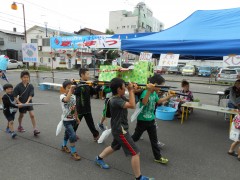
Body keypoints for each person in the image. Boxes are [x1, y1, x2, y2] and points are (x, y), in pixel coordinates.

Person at [95, 78, 154, 180]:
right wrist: (131, 90)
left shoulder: (120, 97)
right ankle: (139, 178)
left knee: (114, 146)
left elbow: (133, 102)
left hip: (118, 129)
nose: (125, 87)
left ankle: (98, 159)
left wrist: (134, 91)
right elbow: (131, 106)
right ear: (119, 89)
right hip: (120, 131)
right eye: (124, 86)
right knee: (135, 153)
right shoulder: (115, 100)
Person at [132, 74, 174, 164]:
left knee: (154, 140)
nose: (161, 88)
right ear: (155, 84)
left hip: (151, 120)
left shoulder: (154, 93)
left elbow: (158, 101)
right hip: (142, 121)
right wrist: (149, 91)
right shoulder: (145, 92)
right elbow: (144, 102)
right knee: (135, 137)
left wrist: (168, 97)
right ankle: (124, 144)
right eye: (161, 86)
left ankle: (158, 157)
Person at [73, 68, 99, 141]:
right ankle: (72, 134)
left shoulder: (88, 84)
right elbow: (75, 92)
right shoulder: (78, 85)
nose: (89, 75)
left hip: (87, 108)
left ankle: (95, 135)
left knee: (90, 123)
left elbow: (94, 92)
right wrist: (74, 84)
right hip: (80, 108)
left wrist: (97, 85)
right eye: (87, 74)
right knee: (76, 123)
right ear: (82, 75)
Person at [13, 70, 40, 136]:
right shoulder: (18, 86)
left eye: (27, 77)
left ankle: (35, 129)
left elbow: (31, 95)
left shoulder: (30, 86)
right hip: (21, 103)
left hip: (29, 102)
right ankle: (19, 126)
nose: (26, 79)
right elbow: (15, 96)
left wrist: (27, 102)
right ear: (21, 78)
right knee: (21, 115)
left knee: (32, 115)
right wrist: (19, 103)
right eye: (24, 77)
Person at [60, 80, 81, 160]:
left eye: (71, 88)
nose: (70, 89)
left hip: (72, 119)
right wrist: (71, 90)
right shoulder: (62, 96)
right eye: (68, 88)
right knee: (72, 135)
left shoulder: (73, 96)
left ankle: (63, 146)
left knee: (67, 134)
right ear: (64, 89)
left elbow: (74, 108)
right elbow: (66, 100)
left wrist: (77, 117)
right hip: (66, 120)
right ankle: (73, 152)